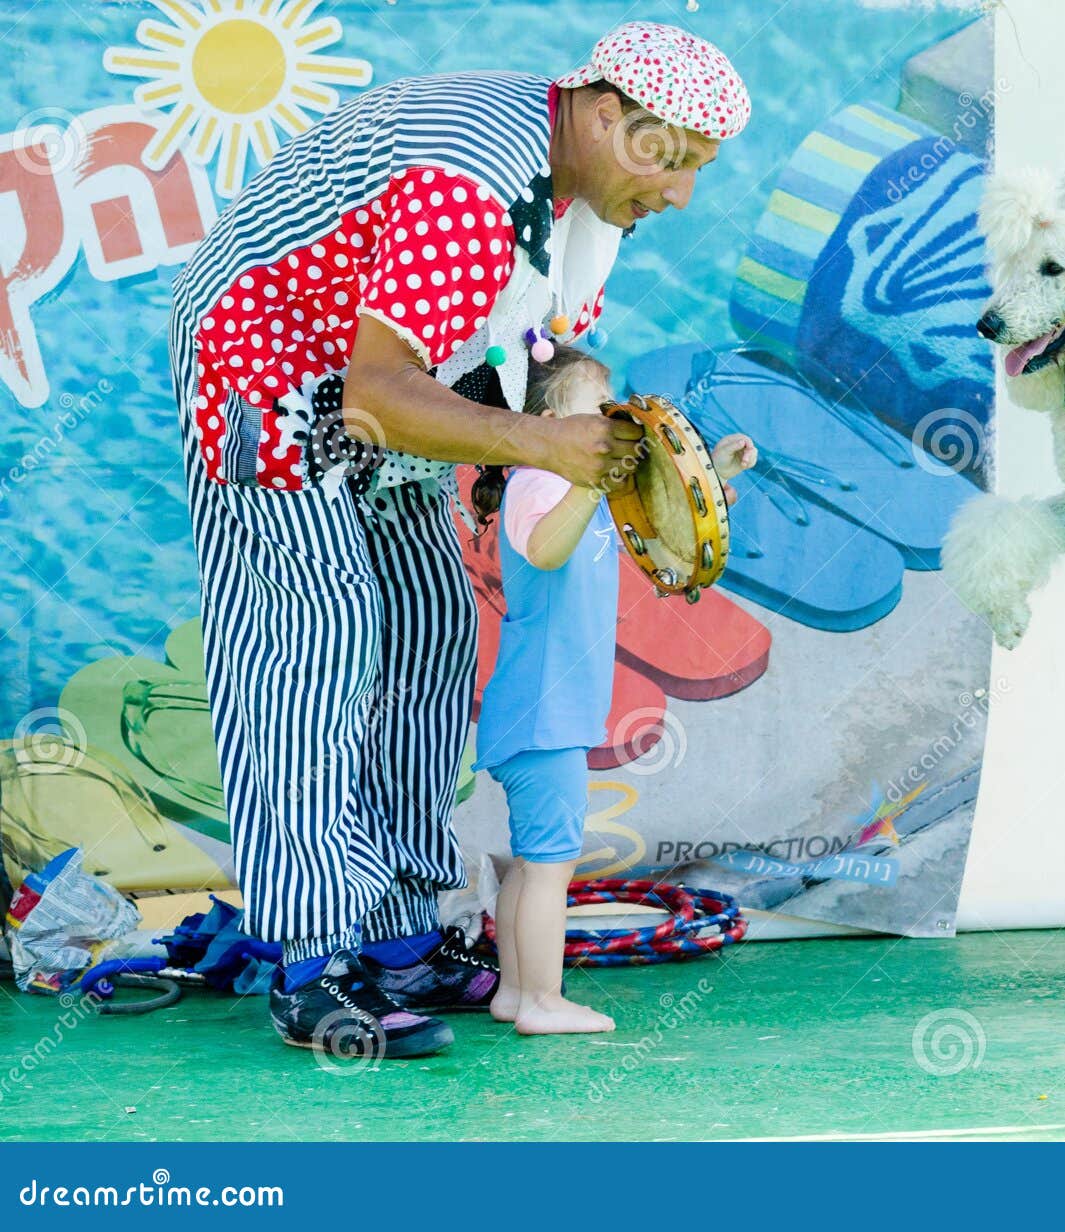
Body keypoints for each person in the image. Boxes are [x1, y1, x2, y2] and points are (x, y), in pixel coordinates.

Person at [166, 22, 751, 1058]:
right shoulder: (470, 186)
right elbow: (379, 391)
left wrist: (615, 450)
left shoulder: (571, 201)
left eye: (700, 169)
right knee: (320, 638)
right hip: (261, 369)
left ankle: (397, 929)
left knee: (434, 621)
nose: (681, 194)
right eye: (676, 160)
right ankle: (311, 953)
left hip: (373, 386)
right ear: (605, 114)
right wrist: (539, 443)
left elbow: (527, 352)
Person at [473, 349, 755, 1034]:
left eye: (611, 408)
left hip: (546, 712)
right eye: (591, 412)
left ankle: (514, 991)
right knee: (549, 867)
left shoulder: (583, 494)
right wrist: (589, 482)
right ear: (545, 424)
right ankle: (542, 1001)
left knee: (532, 862)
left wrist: (715, 473)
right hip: (544, 712)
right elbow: (543, 549)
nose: (609, 423)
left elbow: (664, 521)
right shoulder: (537, 484)